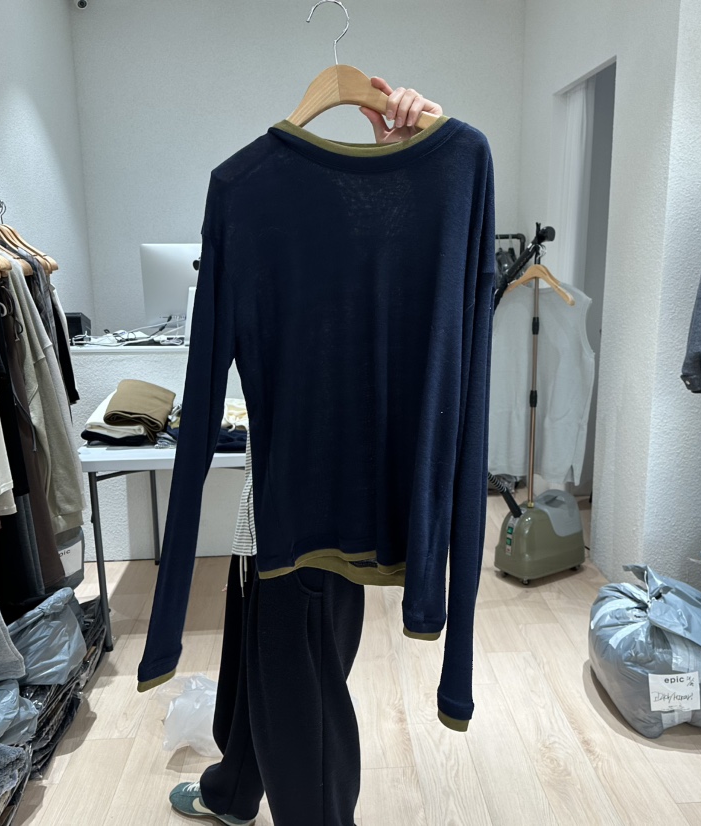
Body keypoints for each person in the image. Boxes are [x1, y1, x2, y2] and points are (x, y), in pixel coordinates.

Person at [167, 80, 443, 826]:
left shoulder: (420, 191)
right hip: (281, 482)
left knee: (301, 668)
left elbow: (430, 312)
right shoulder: (248, 188)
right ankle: (234, 789)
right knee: (266, 645)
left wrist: (406, 172)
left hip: (323, 495)